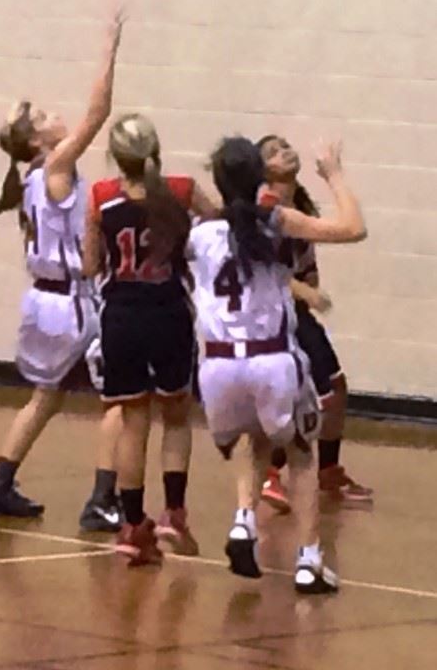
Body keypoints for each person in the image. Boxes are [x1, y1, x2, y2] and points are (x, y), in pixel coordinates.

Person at [190, 136, 365, 594]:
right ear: (259, 177)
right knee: (303, 453)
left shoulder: (199, 234)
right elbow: (353, 228)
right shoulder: (276, 221)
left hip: (217, 367)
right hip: (271, 359)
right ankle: (309, 560)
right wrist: (334, 174)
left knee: (251, 439)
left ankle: (243, 521)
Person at [0, 9, 124, 519]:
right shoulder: (56, 166)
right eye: (42, 118)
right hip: (71, 301)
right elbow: (99, 112)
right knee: (120, 401)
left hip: (45, 297)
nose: (55, 116)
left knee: (45, 398)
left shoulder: (36, 176)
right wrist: (109, 46)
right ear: (37, 140)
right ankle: (103, 501)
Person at [83, 113, 218, 565]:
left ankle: (131, 524)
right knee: (176, 414)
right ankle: (174, 515)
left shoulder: (100, 197)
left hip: (121, 314)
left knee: (132, 419)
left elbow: (89, 265)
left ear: (114, 156)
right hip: (168, 311)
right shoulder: (181, 190)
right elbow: (219, 226)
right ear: (156, 149)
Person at [256, 135, 373, 511]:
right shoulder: (265, 209)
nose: (286, 151)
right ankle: (271, 474)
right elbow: (263, 268)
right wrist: (335, 174)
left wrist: (310, 287)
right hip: (271, 313)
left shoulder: (298, 201)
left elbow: (308, 252)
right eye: (274, 151)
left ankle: (329, 469)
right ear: (262, 169)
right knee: (300, 397)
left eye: (287, 145)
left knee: (336, 389)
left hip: (296, 311)